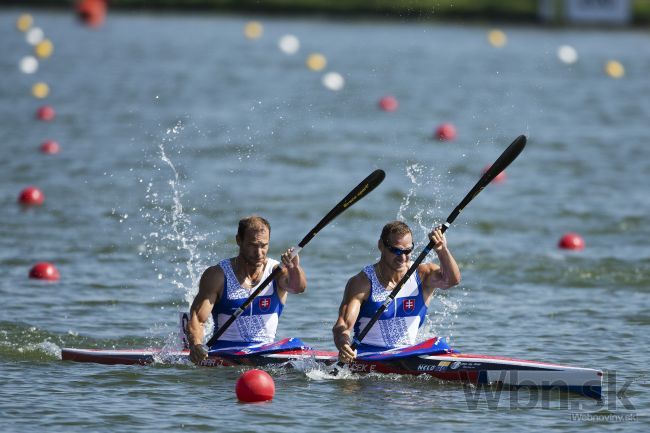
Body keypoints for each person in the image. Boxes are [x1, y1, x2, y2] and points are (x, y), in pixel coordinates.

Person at [333, 220, 461, 363]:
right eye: (396, 251)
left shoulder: (422, 274)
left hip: (408, 354)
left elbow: (452, 280)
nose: (402, 257)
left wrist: (442, 250)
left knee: (439, 344)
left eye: (407, 251)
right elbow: (342, 325)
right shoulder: (362, 283)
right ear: (380, 246)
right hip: (368, 355)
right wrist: (343, 344)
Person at [187, 215, 306, 364]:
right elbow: (197, 318)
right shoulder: (217, 275)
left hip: (264, 351)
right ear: (239, 240)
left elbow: (298, 288)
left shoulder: (277, 272)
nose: (259, 253)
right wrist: (196, 345)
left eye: (263, 246)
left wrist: (294, 268)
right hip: (225, 353)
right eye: (252, 245)